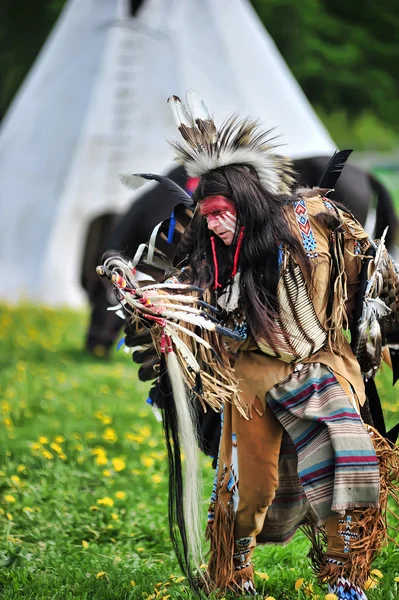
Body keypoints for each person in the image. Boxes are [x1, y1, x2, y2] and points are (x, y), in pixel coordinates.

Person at [98, 91, 399, 599]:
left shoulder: (312, 222)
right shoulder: (211, 260)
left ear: (249, 203)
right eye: (208, 214)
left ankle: (346, 578)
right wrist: (144, 297)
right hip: (253, 377)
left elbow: (372, 270)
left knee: (350, 462)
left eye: (222, 213)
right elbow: (182, 302)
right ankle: (233, 573)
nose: (214, 223)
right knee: (249, 488)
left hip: (323, 366)